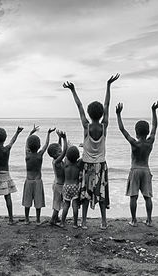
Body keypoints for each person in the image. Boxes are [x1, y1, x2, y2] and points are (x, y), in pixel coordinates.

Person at [63, 73, 119, 230]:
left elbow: (79, 107)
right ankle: (103, 222)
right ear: (101, 114)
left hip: (87, 166)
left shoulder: (86, 127)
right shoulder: (104, 126)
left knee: (86, 194)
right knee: (101, 194)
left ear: (89, 113)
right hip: (100, 166)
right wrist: (108, 85)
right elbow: (107, 105)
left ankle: (84, 222)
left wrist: (73, 90)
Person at [116, 101, 158, 227]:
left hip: (135, 169)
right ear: (147, 132)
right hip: (146, 170)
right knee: (148, 197)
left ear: (136, 132)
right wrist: (153, 111)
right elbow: (155, 127)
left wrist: (118, 115)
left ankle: (134, 220)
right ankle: (149, 220)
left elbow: (122, 129)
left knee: (133, 196)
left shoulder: (134, 143)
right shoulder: (150, 141)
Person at [22, 125, 56, 225]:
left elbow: (26, 143)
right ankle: (37, 220)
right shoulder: (40, 155)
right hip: (38, 181)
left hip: (29, 181)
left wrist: (31, 133)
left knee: (27, 202)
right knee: (38, 202)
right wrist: (48, 133)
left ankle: (27, 219)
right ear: (38, 146)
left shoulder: (27, 155)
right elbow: (46, 144)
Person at [47, 130, 67, 225]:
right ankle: (52, 220)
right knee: (57, 204)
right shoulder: (57, 162)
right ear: (54, 155)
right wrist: (64, 138)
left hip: (58, 184)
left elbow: (60, 149)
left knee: (58, 202)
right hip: (59, 186)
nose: (61, 151)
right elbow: (64, 151)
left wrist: (59, 138)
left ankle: (56, 218)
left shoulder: (56, 159)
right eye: (59, 151)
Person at [60, 145, 82, 229]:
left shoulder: (66, 164)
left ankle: (62, 222)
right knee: (75, 205)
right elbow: (85, 157)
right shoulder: (78, 164)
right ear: (77, 156)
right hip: (75, 186)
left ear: (67, 156)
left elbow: (64, 153)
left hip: (66, 186)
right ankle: (75, 223)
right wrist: (84, 147)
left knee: (66, 205)